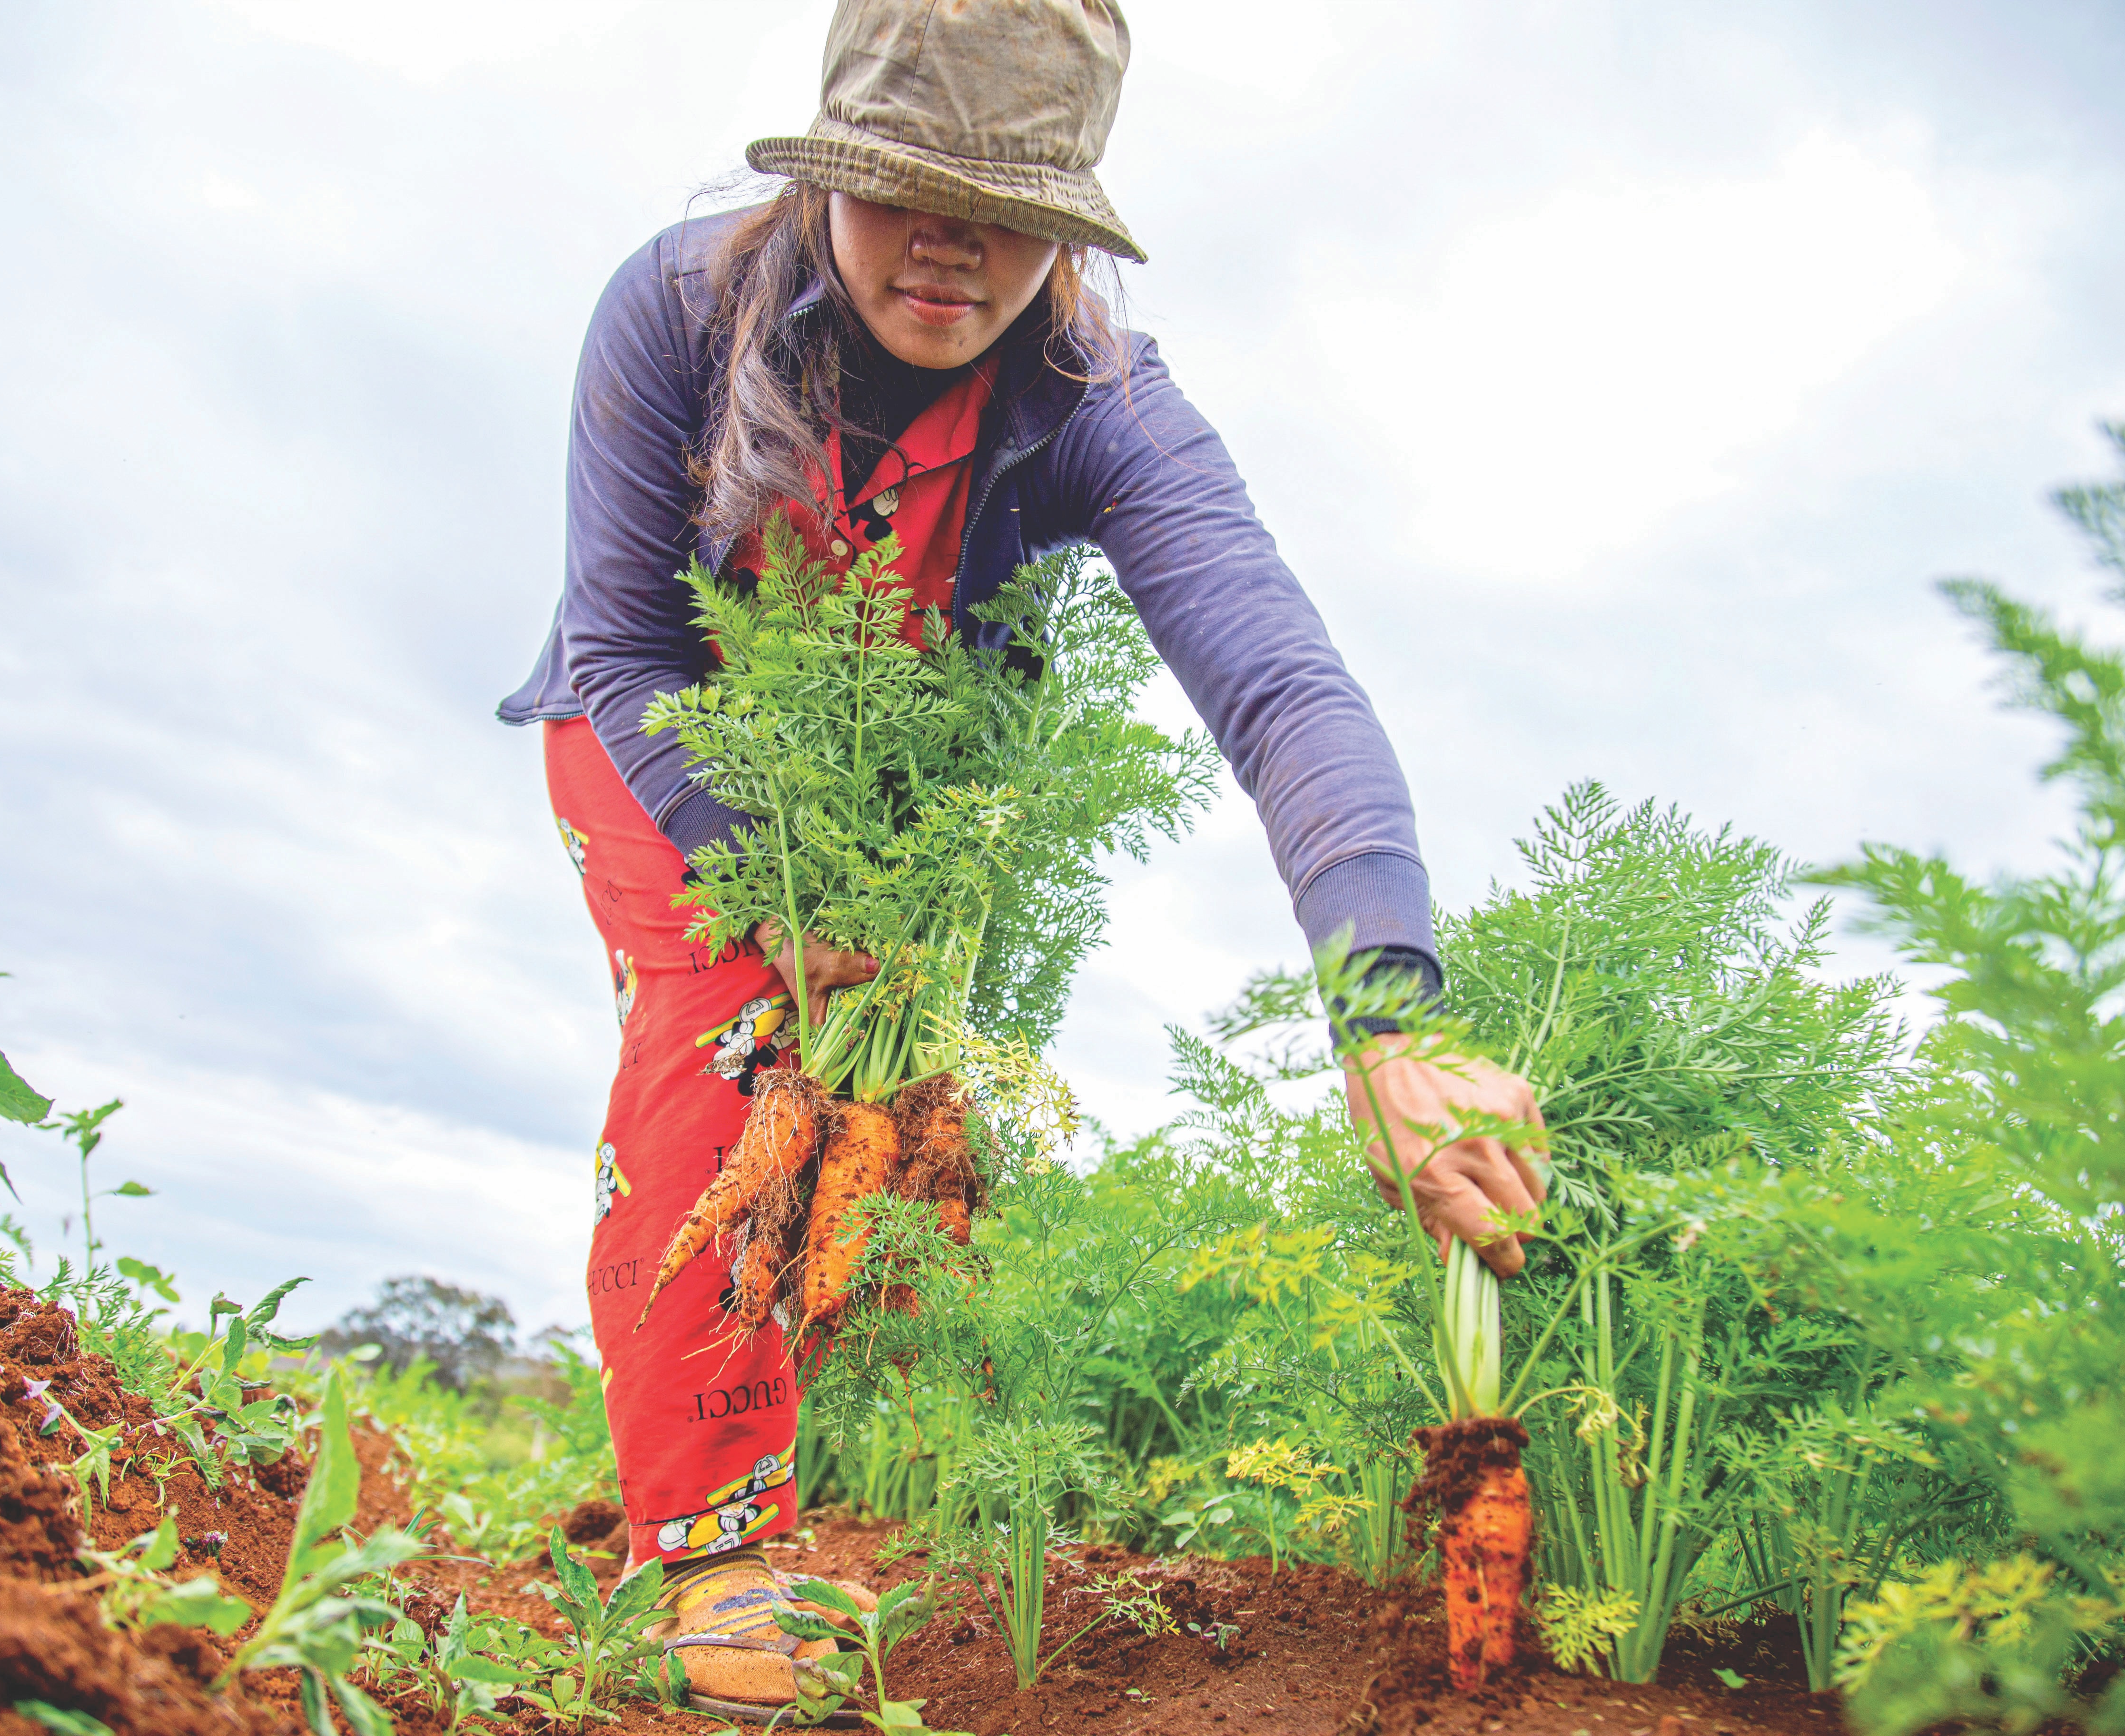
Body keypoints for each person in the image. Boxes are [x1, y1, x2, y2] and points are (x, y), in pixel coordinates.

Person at [495, 0, 1547, 1716]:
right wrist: (773, 885)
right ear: (832, 165)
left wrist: (1389, 1013)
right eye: (909, 188)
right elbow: (624, 647)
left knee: (869, 1139)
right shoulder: (678, 308)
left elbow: (1280, 682)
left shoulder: (1097, 400)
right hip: (663, 740)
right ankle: (693, 1554)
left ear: (1066, 226)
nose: (956, 247)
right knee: (731, 1039)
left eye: (1012, 210)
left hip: (903, 777)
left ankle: (746, 1453)